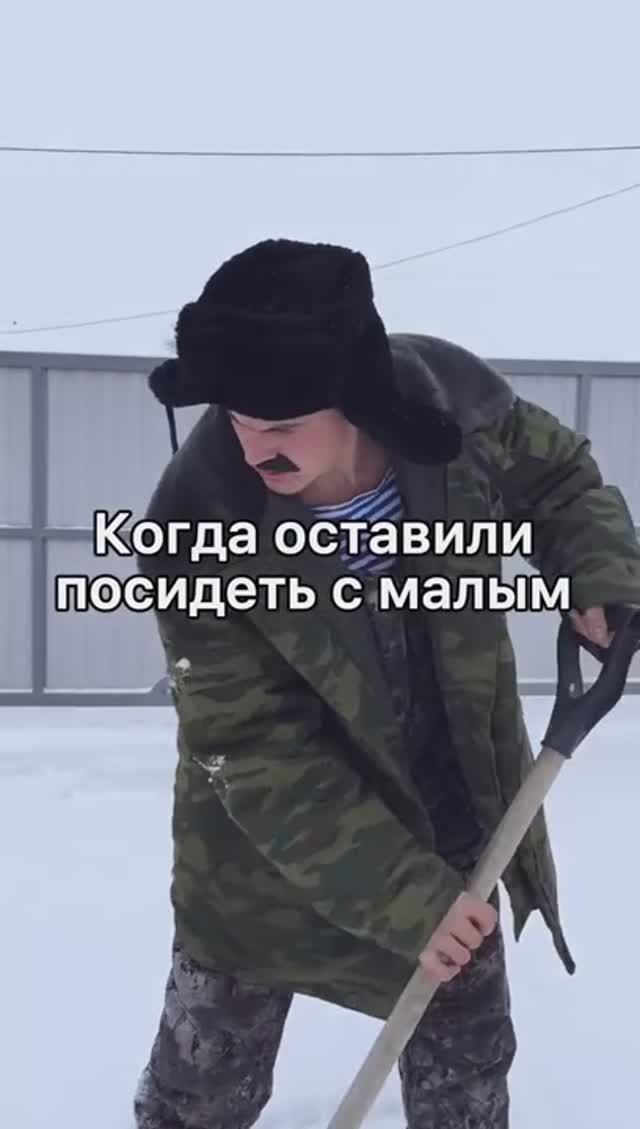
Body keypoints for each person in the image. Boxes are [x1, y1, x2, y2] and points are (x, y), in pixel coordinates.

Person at [132, 238, 640, 1129]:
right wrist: (407, 899)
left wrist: (599, 572)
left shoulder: (455, 413)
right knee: (198, 1097)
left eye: (284, 423)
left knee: (466, 1088)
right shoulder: (196, 521)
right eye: (238, 418)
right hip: (261, 867)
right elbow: (254, 750)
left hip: (452, 823)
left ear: (357, 396)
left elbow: (559, 481)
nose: (254, 446)